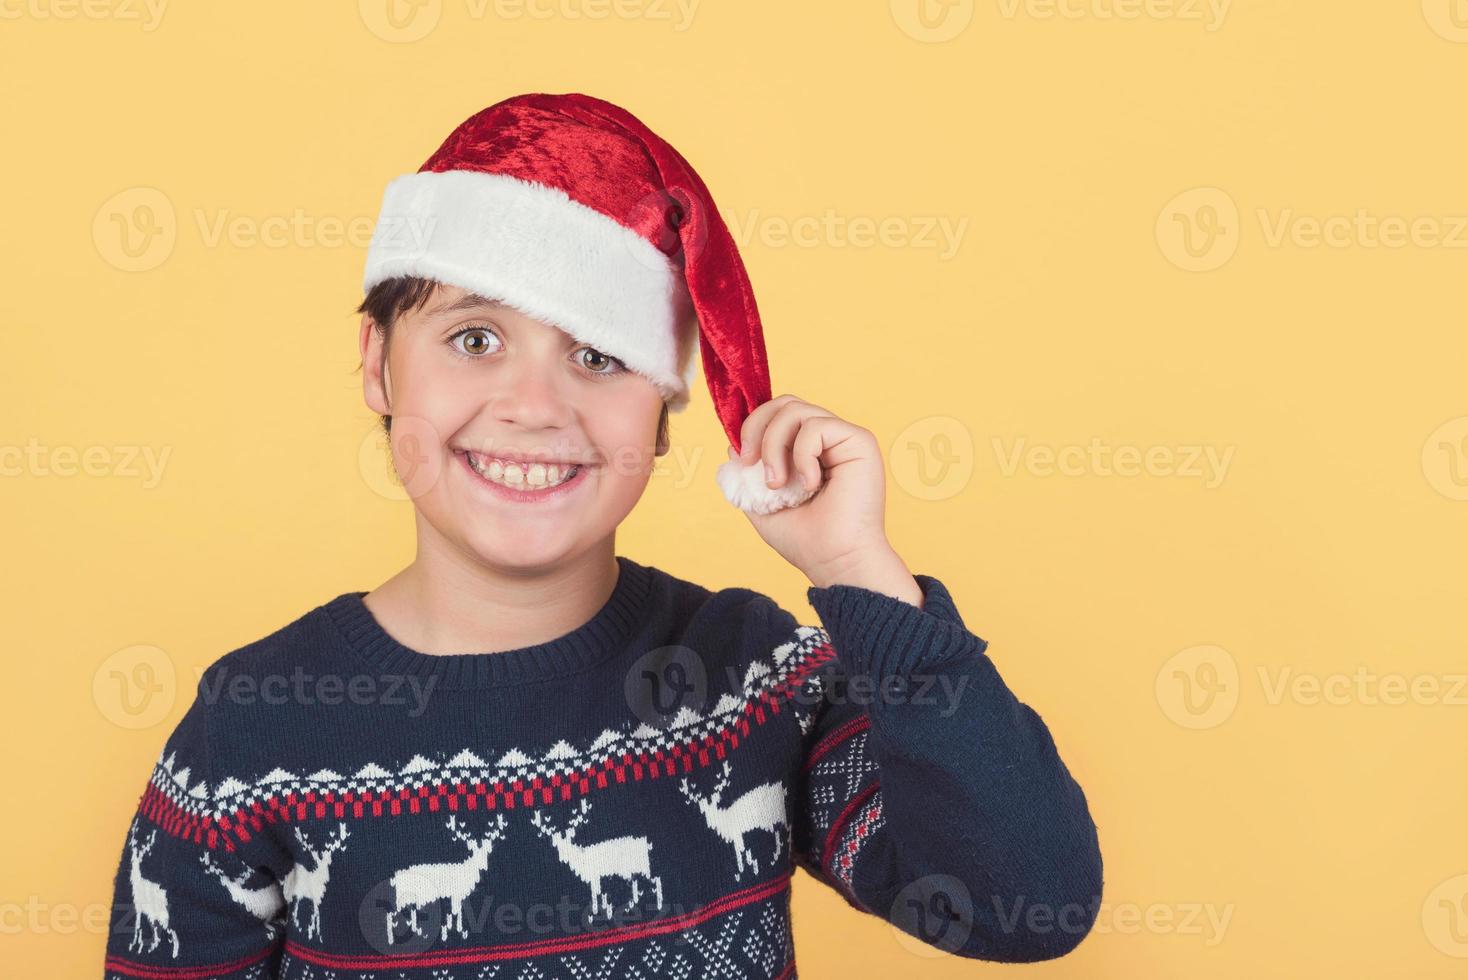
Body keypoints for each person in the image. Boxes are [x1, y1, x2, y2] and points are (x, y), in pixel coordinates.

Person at [101, 93, 1103, 980]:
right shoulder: (252, 733)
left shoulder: (757, 679)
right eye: (474, 337)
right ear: (377, 363)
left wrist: (858, 574)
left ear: (666, 411)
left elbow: (1026, 901)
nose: (535, 407)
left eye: (599, 353)